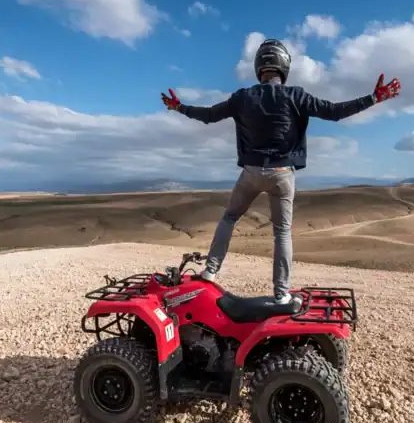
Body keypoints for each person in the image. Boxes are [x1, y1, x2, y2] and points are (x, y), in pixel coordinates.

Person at [160, 38, 401, 306]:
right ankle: (281, 293)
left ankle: (211, 271)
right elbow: (334, 112)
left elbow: (208, 115)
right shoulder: (296, 95)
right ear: (284, 67)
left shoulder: (242, 97)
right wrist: (374, 98)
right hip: (283, 174)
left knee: (229, 218)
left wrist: (179, 107)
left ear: (258, 68)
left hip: (251, 172)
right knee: (282, 233)